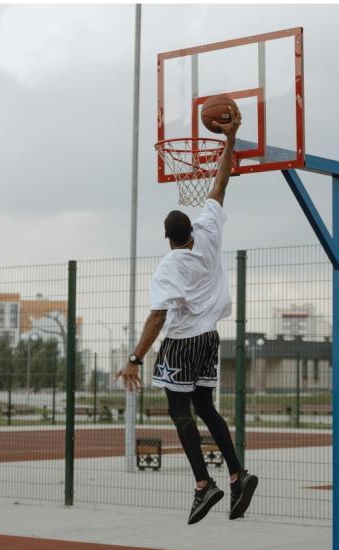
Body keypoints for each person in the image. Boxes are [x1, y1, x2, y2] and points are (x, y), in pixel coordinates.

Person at [115, 106, 257, 525]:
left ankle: (203, 484)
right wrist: (230, 139)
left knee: (180, 414)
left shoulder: (169, 266)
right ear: (191, 230)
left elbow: (158, 317)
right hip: (210, 338)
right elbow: (220, 182)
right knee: (207, 409)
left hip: (181, 341)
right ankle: (238, 474)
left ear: (167, 238)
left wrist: (135, 358)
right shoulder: (209, 230)